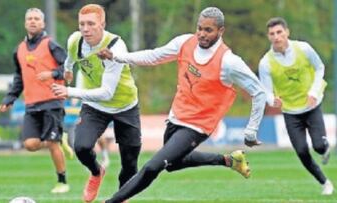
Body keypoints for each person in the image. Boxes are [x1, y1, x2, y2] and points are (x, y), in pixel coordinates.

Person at [97, 7, 266, 203]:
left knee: (153, 166)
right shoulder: (184, 42)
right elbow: (154, 56)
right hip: (177, 116)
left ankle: (112, 201)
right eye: (199, 28)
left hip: (198, 126)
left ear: (221, 31)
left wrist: (251, 130)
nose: (202, 34)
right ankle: (228, 160)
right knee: (172, 164)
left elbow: (259, 92)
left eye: (208, 30)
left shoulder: (229, 62)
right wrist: (117, 57)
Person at [51, 4, 142, 203]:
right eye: (82, 24)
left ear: (102, 24)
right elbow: (70, 58)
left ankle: (120, 198)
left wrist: (69, 91)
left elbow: (107, 93)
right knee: (81, 146)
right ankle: (96, 171)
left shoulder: (115, 47)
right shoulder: (75, 40)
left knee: (129, 162)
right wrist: (67, 70)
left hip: (125, 106)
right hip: (95, 107)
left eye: (91, 23)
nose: (85, 28)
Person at [0, 8, 71, 194]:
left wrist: (53, 73)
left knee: (52, 144)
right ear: (25, 23)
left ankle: (62, 181)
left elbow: (68, 69)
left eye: (36, 18)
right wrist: (10, 98)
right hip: (31, 104)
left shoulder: (51, 45)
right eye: (29, 18)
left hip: (53, 101)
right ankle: (59, 139)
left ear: (43, 23)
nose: (32, 21)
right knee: (30, 144)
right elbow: (19, 77)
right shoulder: (19, 50)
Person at [258, 17, 333, 195]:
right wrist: (272, 100)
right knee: (301, 151)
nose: (276, 37)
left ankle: (325, 148)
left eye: (279, 32)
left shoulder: (304, 49)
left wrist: (314, 92)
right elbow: (266, 91)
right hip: (290, 111)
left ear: (287, 32)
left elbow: (320, 67)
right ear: (268, 37)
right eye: (272, 34)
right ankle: (325, 183)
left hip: (312, 106)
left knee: (319, 147)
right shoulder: (265, 63)